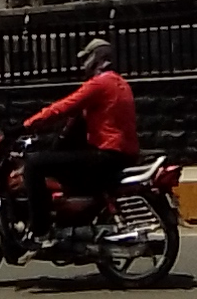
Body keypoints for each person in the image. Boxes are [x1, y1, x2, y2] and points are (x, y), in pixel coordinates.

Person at [22, 38, 138, 245]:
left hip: (106, 154)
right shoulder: (120, 83)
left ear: (98, 59)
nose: (83, 64)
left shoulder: (99, 84)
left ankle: (41, 231)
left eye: (86, 58)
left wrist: (27, 125)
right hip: (122, 154)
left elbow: (63, 107)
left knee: (33, 164)